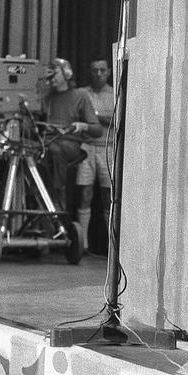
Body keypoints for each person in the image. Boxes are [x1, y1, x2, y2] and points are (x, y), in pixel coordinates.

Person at [42, 58, 102, 212]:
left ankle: (57, 201)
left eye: (54, 74)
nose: (51, 79)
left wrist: (83, 126)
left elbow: (97, 130)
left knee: (54, 150)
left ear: (67, 74)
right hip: (47, 141)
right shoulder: (47, 98)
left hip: (68, 143)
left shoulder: (80, 95)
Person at [75, 58, 114, 252]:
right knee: (85, 194)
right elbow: (76, 117)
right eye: (94, 70)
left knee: (109, 196)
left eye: (102, 70)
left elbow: (118, 121)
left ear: (108, 72)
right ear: (89, 72)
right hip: (86, 148)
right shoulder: (83, 93)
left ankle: (111, 246)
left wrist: (94, 117)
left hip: (108, 148)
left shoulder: (116, 93)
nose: (98, 74)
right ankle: (82, 244)